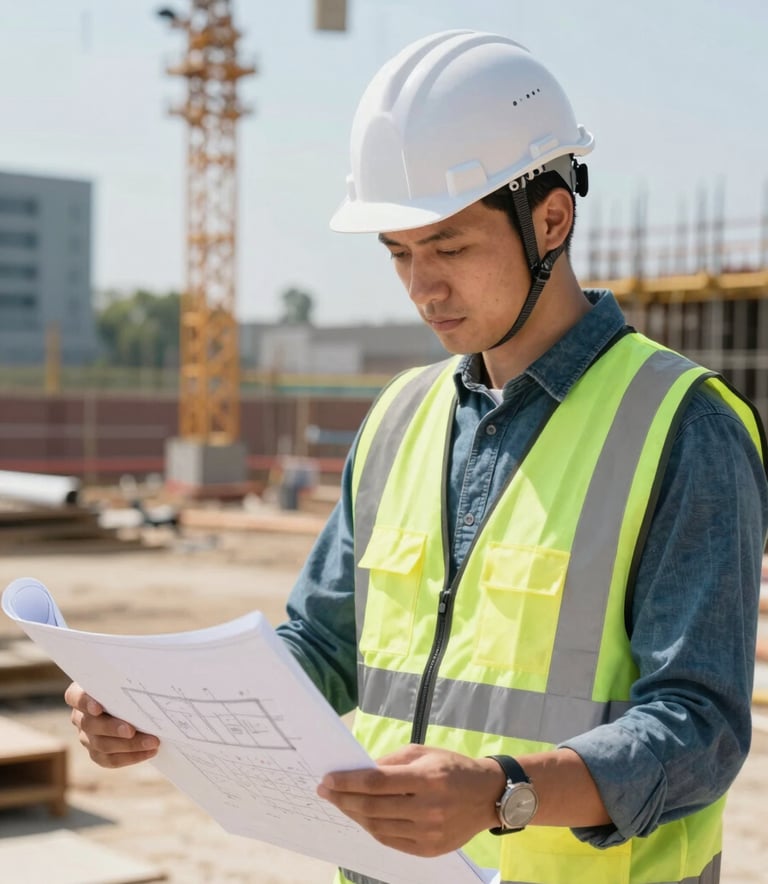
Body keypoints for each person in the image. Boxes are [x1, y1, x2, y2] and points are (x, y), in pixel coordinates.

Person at [65, 29, 768, 884]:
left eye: (449, 247)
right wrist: (161, 713)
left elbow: (702, 726)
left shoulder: (683, 425)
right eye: (398, 253)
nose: (421, 288)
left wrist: (505, 793)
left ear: (551, 218)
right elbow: (321, 649)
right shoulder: (400, 416)